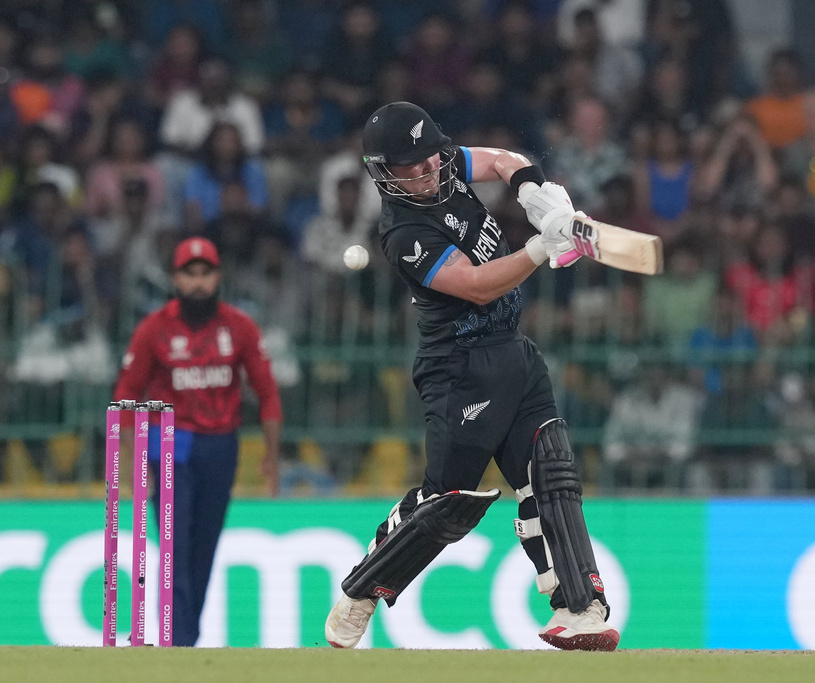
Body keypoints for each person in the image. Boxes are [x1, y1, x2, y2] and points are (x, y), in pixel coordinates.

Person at [323, 101, 619, 651]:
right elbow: (478, 285)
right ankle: (362, 590)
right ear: (383, 173)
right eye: (407, 168)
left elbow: (506, 160)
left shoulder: (444, 164)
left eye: (428, 159)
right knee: (449, 502)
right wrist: (540, 247)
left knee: (551, 472)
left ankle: (581, 609)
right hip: (459, 370)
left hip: (513, 352)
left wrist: (537, 197)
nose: (424, 172)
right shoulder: (402, 229)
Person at [112, 236, 282, 647]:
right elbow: (125, 396)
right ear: (175, 279)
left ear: (218, 276)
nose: (199, 284)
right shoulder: (155, 328)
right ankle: (177, 640)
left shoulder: (239, 326)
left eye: (206, 274)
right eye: (190, 275)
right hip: (171, 444)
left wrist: (271, 459)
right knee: (176, 548)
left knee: (204, 547)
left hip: (221, 447)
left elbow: (267, 393)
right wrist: (129, 465)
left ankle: (186, 638)